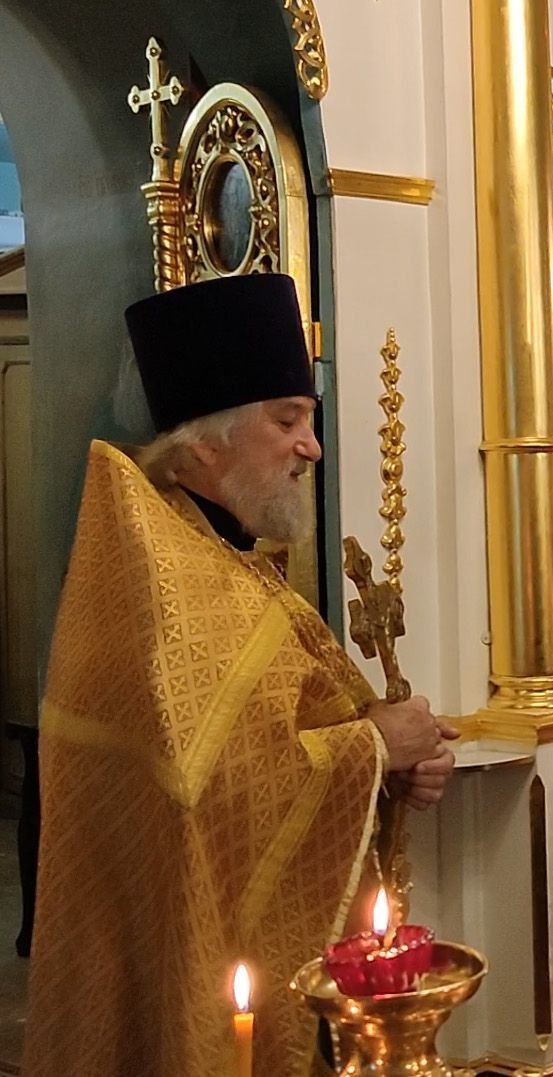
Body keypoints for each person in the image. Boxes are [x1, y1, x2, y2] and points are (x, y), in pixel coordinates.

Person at [25, 274, 458, 1076]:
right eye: (287, 420)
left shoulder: (225, 562)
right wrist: (373, 747)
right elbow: (203, 789)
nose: (312, 446)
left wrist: (394, 764)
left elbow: (281, 742)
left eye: (310, 420)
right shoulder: (163, 583)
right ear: (206, 440)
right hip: (186, 973)